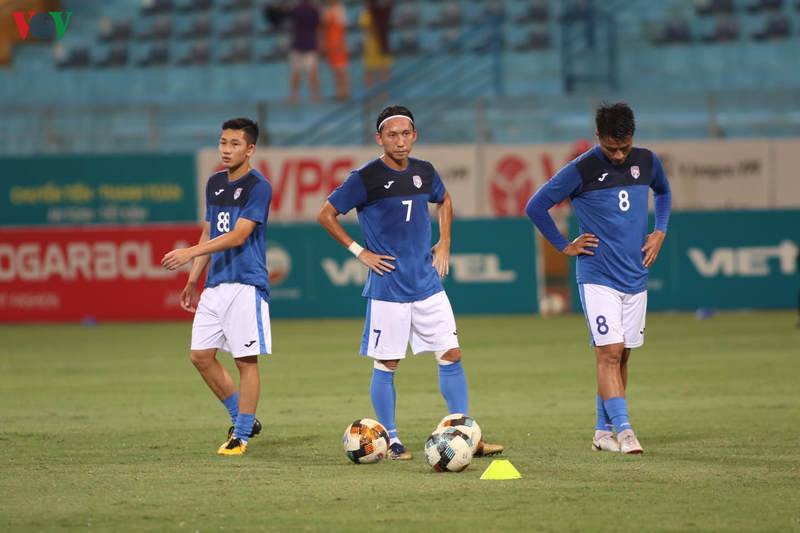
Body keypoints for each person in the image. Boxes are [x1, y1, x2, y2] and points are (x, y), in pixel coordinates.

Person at [316, 105, 504, 461]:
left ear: (414, 135)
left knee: (451, 354)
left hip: (427, 283)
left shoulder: (425, 171)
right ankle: (391, 440)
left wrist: (445, 240)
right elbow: (326, 214)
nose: (400, 141)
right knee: (387, 364)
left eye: (405, 134)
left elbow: (444, 199)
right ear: (379, 138)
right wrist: (360, 252)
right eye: (392, 135)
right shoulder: (365, 177)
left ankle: (464, 434)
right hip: (388, 287)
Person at [525, 102, 672, 455]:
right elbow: (535, 205)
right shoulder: (581, 169)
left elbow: (663, 192)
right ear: (598, 137)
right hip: (598, 275)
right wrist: (565, 245)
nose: (619, 155)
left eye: (624, 147)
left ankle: (601, 432)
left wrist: (660, 231)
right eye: (610, 148)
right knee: (609, 352)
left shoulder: (647, 160)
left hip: (635, 275)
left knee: (622, 356)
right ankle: (625, 430)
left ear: (632, 136)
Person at [162, 118, 273, 456]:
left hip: (246, 284)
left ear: (250, 149)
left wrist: (188, 253)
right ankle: (242, 419)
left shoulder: (258, 186)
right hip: (215, 284)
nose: (226, 149)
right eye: (223, 142)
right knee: (200, 356)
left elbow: (239, 235)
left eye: (235, 144)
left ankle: (241, 436)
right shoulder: (214, 182)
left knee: (245, 362)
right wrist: (193, 278)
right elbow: (209, 232)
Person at [287, 0, 321, 103]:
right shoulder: (314, 9)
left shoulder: (295, 8)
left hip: (299, 42)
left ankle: (294, 95)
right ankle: (314, 95)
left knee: (297, 70)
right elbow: (318, 27)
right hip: (308, 42)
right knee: (310, 70)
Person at [359, 0, 393, 93]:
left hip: (381, 43)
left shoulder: (382, 11)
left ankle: (384, 93)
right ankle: (370, 92)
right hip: (371, 45)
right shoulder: (366, 14)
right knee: (369, 69)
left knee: (383, 69)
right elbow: (366, 27)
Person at [321, 0, 350, 100]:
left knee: (342, 69)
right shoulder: (326, 10)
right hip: (330, 42)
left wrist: (338, 43)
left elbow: (342, 28)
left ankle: (345, 92)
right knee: (335, 70)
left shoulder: (340, 10)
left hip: (338, 43)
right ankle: (338, 92)